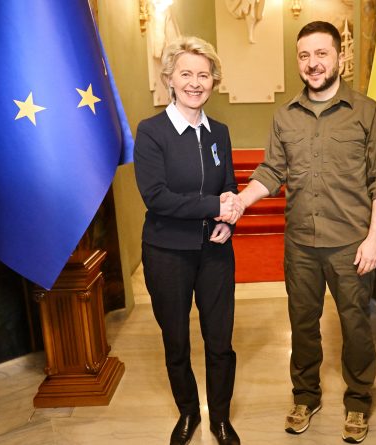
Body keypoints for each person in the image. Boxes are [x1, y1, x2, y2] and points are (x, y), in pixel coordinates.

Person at [235, 21, 376, 444]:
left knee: (356, 326)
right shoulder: (285, 116)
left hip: (351, 245)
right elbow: (271, 171)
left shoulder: (368, 112)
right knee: (302, 323)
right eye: (304, 56)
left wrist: (374, 239)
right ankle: (305, 396)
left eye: (321, 54)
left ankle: (358, 402)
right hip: (301, 247)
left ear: (339, 56)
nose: (313, 64)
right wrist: (240, 200)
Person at [134, 36, 242, 445]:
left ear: (213, 81)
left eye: (203, 74)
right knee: (176, 340)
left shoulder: (220, 133)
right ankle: (188, 412)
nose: (195, 82)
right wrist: (215, 204)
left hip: (215, 252)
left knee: (220, 341)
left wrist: (228, 221)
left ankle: (220, 418)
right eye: (186, 74)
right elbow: (156, 197)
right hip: (166, 254)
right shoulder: (151, 132)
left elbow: (229, 187)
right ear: (169, 80)